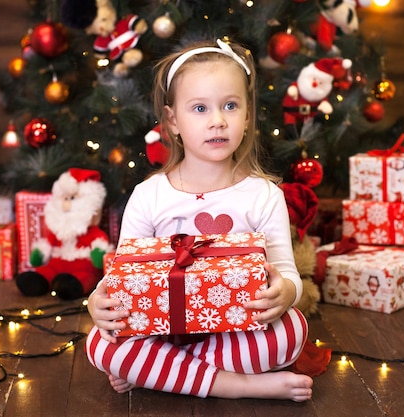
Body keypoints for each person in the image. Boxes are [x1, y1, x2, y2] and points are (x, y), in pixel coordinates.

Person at [86, 38, 313, 402]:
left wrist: (285, 293)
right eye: (200, 109)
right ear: (173, 121)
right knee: (100, 344)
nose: (218, 121)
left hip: (234, 330)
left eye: (230, 105)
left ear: (248, 115)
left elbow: (287, 273)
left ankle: (162, 372)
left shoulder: (264, 195)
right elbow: (121, 276)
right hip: (161, 328)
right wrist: (98, 301)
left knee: (291, 331)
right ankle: (237, 385)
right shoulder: (150, 195)